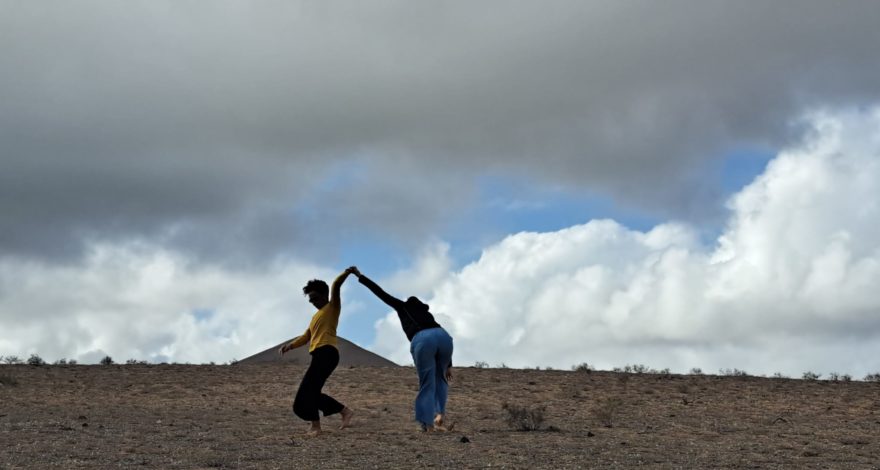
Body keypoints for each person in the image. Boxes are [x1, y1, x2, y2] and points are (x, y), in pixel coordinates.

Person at [350, 266, 454, 432]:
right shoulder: (427, 314)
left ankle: (427, 424)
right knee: (440, 379)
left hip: (422, 339)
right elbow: (438, 337)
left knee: (427, 383)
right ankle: (440, 414)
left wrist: (360, 276)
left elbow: (380, 293)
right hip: (444, 337)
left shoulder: (402, 306)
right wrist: (448, 364)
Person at [279, 267, 356, 436]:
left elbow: (336, 285)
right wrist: (289, 346)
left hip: (327, 353)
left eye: (314, 298)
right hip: (319, 355)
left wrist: (348, 272)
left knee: (308, 392)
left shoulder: (332, 307)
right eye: (310, 299)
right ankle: (343, 411)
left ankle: (317, 427)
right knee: (305, 397)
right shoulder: (316, 316)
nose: (312, 302)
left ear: (323, 295)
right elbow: (307, 336)